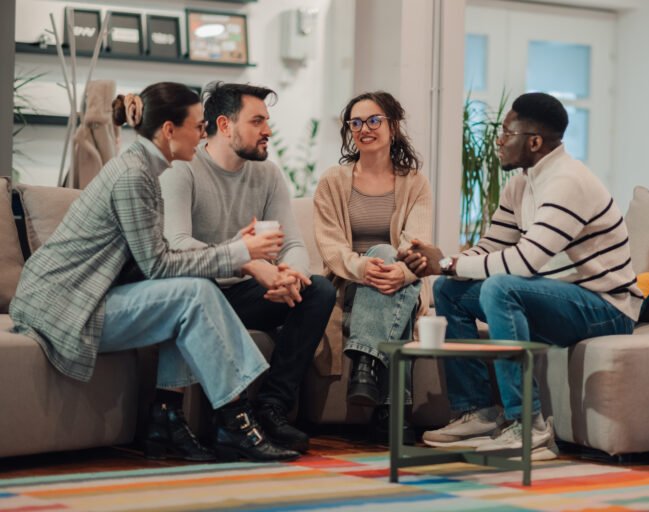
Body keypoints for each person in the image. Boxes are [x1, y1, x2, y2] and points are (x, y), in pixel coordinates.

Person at [9, 82, 300, 463]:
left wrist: (234, 251)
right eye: (198, 126)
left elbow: (160, 261)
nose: (203, 134)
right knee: (192, 293)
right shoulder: (134, 175)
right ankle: (236, 421)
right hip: (65, 306)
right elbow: (158, 264)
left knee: (188, 290)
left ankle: (167, 420)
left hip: (84, 296)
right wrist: (238, 254)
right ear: (169, 130)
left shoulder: (144, 168)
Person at [400, 92, 640, 460]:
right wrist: (443, 264)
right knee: (449, 290)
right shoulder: (521, 184)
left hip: (607, 308)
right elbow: (492, 247)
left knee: (500, 287)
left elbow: (525, 262)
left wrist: (445, 263)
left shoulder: (567, 182)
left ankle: (529, 427)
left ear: (534, 141)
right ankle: (478, 412)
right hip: (566, 299)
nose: (498, 140)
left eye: (506, 132)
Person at [160, 82, 335, 454]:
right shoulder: (183, 169)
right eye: (257, 121)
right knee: (200, 290)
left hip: (246, 294)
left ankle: (271, 409)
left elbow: (292, 243)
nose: (268, 130)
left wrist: (290, 276)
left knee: (318, 289)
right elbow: (177, 246)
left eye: (267, 121)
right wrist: (250, 263)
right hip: (201, 293)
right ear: (224, 125)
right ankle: (231, 423)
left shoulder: (267, 174)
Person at [313, 91, 432, 442]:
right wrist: (366, 268)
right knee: (383, 252)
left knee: (394, 265)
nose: (365, 128)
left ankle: (366, 367)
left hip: (400, 283)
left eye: (374, 120)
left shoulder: (415, 183)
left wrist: (404, 272)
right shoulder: (333, 182)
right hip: (348, 286)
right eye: (357, 122)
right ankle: (394, 413)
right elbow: (330, 246)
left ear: (393, 126)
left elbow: (418, 244)